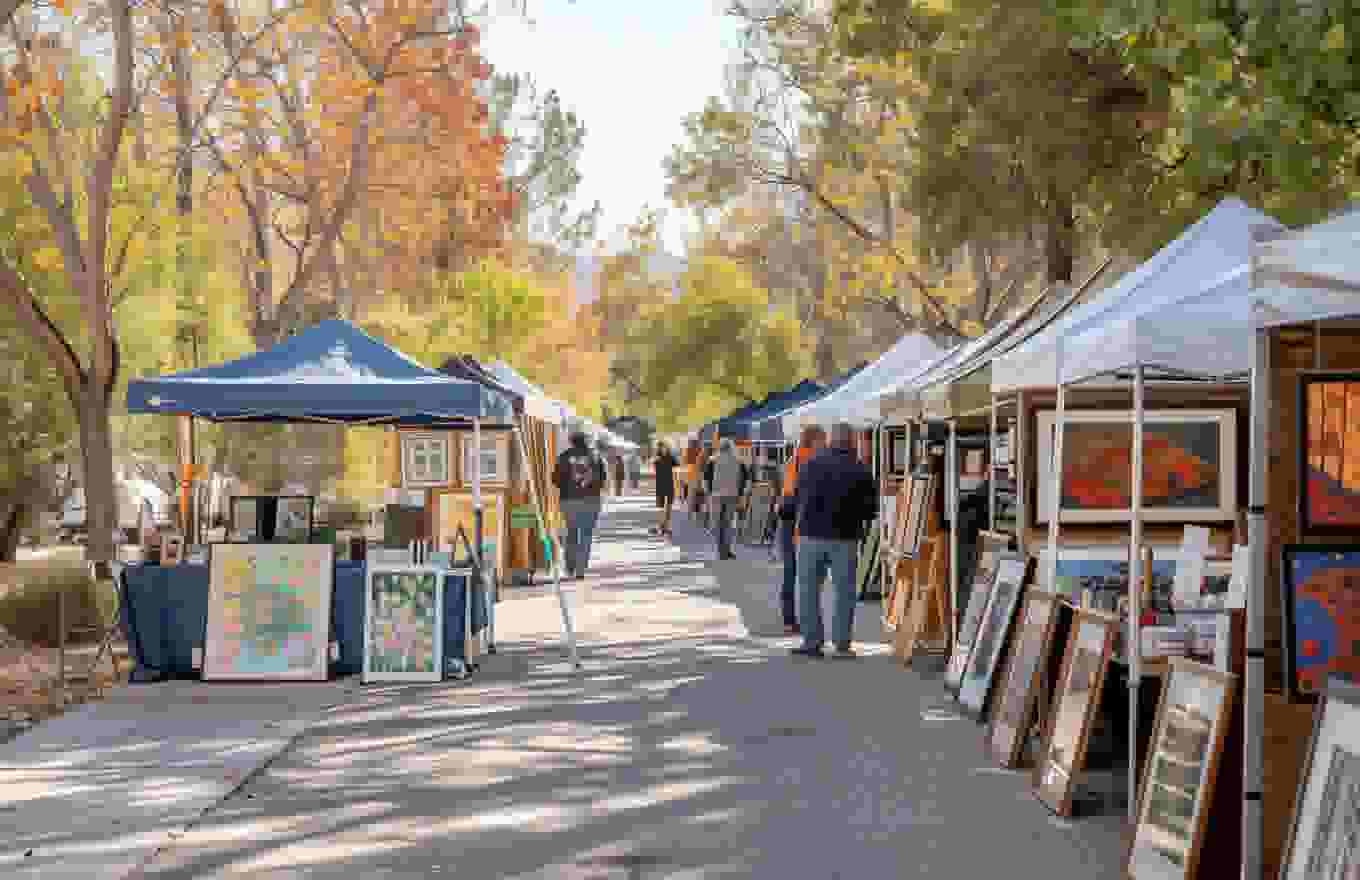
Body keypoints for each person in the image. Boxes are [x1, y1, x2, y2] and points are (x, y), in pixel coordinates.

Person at [791, 422, 877, 659]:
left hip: (810, 535)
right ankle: (841, 644)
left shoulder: (810, 464)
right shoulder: (860, 469)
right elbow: (870, 510)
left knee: (808, 589)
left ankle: (812, 641)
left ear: (830, 440)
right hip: (845, 538)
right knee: (844, 592)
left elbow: (797, 496)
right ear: (851, 441)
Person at [776, 425, 826, 635]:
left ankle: (789, 619)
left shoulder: (791, 461)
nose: (825, 444)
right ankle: (808, 620)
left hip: (788, 522)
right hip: (807, 523)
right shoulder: (816, 463)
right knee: (811, 575)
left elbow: (785, 493)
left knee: (790, 571)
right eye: (823, 440)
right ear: (814, 441)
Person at [552, 429, 607, 579]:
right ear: (587, 441)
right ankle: (581, 570)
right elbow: (603, 479)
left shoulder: (563, 457)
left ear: (571, 441)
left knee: (571, 533)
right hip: (591, 500)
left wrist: (567, 486)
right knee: (586, 534)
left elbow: (555, 480)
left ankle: (570, 567)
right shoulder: (595, 456)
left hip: (569, 501)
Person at [706, 438, 749, 560]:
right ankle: (727, 550)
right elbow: (744, 480)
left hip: (716, 496)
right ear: (731, 447)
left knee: (717, 523)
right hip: (732, 495)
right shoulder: (738, 461)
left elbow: (706, 479)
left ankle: (720, 551)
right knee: (728, 524)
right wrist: (741, 495)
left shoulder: (712, 460)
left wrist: (709, 493)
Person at [651, 441, 678, 537]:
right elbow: (655, 470)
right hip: (661, 485)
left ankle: (666, 526)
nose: (663, 449)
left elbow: (677, 465)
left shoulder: (671, 458)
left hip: (670, 485)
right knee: (661, 507)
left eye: (664, 447)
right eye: (660, 447)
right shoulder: (657, 459)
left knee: (669, 507)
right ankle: (661, 526)